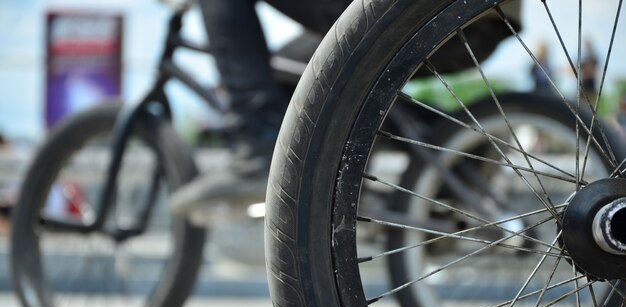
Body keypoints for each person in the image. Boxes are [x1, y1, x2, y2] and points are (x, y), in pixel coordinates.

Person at [170, 0, 522, 218]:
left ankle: (256, 146)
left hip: (431, 11)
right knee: (289, 74)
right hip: (481, 20)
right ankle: (459, 148)